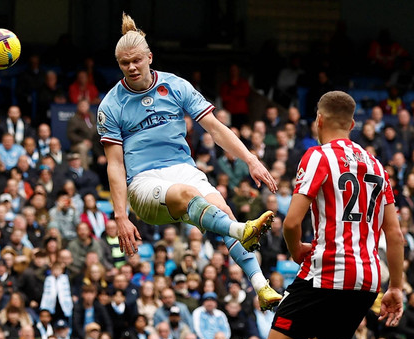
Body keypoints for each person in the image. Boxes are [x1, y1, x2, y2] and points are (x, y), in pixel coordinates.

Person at [98, 13, 281, 310]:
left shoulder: (175, 86)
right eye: (124, 63)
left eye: (136, 60)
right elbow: (115, 165)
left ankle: (262, 287)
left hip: (182, 168)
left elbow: (216, 128)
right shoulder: (111, 104)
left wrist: (251, 159)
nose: (131, 67)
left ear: (149, 57)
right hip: (145, 182)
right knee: (192, 197)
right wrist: (121, 215)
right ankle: (240, 231)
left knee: (222, 208)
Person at [259, 91, 405, 339]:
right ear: (352, 125)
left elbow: (291, 222)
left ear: (319, 120)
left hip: (327, 271)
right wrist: (396, 287)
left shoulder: (318, 157)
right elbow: (395, 235)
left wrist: (295, 251)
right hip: (366, 282)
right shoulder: (377, 166)